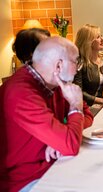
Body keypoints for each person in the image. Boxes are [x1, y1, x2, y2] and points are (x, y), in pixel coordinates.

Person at [0, 37, 94, 192]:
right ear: (58, 65)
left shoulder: (56, 83)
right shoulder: (21, 93)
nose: (78, 68)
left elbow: (88, 116)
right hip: (27, 182)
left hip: (55, 166)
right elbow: (70, 144)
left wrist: (60, 134)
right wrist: (74, 108)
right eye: (76, 62)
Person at [74, 24, 103, 114]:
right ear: (88, 42)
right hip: (83, 108)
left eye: (101, 35)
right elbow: (77, 92)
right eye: (98, 37)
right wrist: (101, 101)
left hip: (101, 105)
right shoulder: (78, 63)